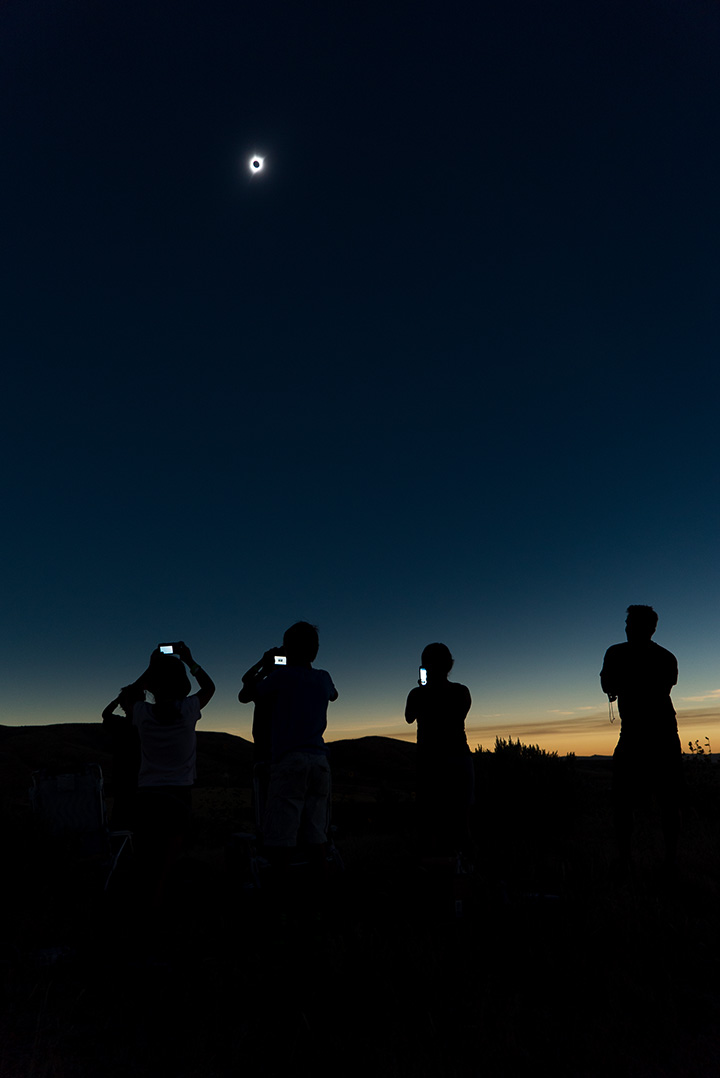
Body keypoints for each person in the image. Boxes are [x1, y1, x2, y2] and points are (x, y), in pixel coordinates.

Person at [238, 622, 338, 883]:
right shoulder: (324, 677)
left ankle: (280, 902)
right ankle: (322, 898)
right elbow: (334, 695)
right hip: (319, 761)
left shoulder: (280, 678)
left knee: (281, 840)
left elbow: (246, 692)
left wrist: (263, 663)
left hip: (290, 762)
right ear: (315, 651)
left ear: (287, 649)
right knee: (317, 838)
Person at [132, 641, 215, 906]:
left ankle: (143, 909)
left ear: (154, 685)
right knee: (168, 863)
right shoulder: (188, 710)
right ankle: (161, 909)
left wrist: (151, 666)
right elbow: (210, 688)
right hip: (178, 793)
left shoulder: (141, 712)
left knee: (148, 860)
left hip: (146, 793)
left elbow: (132, 692)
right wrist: (190, 660)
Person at [600, 605, 682, 874]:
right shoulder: (666, 657)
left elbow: (609, 685)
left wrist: (625, 682)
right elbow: (660, 688)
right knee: (666, 802)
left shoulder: (616, 654)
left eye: (630, 623)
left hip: (639, 735)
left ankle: (627, 861)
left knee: (626, 801)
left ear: (646, 627)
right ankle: (668, 862)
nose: (627, 628)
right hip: (662, 734)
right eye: (627, 623)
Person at [405, 643, 474, 856]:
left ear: (425, 666)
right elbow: (460, 714)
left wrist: (422, 690)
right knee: (460, 817)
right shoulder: (462, 692)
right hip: (459, 759)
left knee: (430, 819)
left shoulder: (417, 694)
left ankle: (431, 869)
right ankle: (462, 868)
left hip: (430, 762)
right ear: (449, 665)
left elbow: (409, 717)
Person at [101, 683, 143, 830]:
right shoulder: (148, 723)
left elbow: (106, 714)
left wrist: (117, 700)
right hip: (144, 777)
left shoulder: (121, 725)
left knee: (121, 818)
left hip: (123, 777)